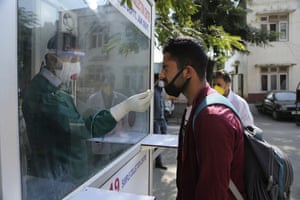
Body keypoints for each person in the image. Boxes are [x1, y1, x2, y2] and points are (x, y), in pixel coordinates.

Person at [22, 32, 152, 186]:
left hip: (67, 173)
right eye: (72, 59)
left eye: (79, 59)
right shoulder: (44, 94)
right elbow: (81, 127)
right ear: (51, 59)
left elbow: (84, 112)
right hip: (58, 178)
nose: (77, 64)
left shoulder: (57, 88)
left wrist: (108, 113)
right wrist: (124, 108)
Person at [159, 36, 246, 199]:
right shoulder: (194, 107)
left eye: (166, 68)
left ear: (187, 72)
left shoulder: (212, 118)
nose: (162, 75)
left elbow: (213, 193)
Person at [153, 73, 168, 170]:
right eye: (160, 79)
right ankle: (157, 162)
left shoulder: (162, 91)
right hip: (155, 120)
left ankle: (156, 158)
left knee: (164, 140)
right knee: (156, 142)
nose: (162, 82)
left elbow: (162, 104)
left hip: (162, 119)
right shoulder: (153, 91)